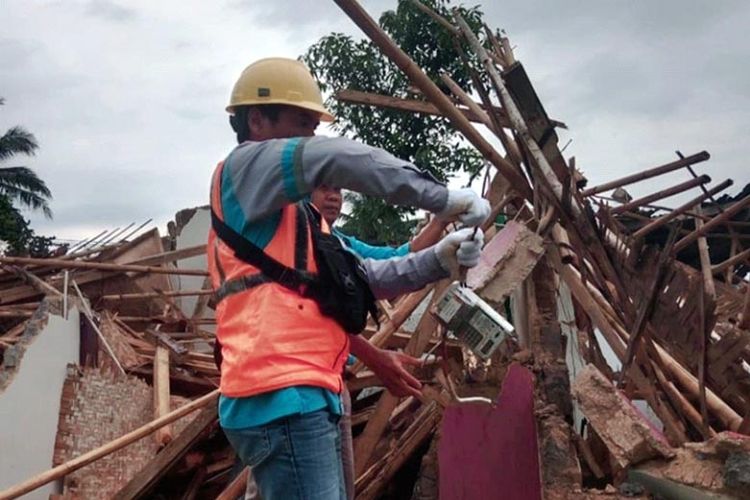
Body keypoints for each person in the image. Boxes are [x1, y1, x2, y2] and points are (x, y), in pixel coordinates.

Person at [208, 57, 489, 500]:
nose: (310, 138)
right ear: (256, 120)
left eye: (313, 127)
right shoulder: (241, 172)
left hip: (307, 395)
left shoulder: (298, 218)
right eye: (302, 122)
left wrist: (440, 258)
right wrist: (441, 197)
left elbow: (366, 277)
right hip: (282, 396)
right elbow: (335, 157)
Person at [309, 184, 449, 500]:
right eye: (323, 189)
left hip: (333, 383)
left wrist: (439, 226)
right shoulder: (295, 247)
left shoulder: (341, 244)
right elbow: (316, 316)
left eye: (338, 190)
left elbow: (397, 259)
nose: (333, 196)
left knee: (338, 488)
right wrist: (374, 356)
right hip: (300, 390)